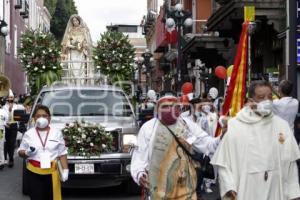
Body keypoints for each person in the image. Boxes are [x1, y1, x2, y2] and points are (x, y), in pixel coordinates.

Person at [211, 80, 300, 200]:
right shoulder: (236, 126)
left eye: (269, 97)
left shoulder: (282, 126)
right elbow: (224, 163)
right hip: (247, 189)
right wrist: (229, 187)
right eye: (261, 97)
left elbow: (291, 164)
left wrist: (294, 193)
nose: (267, 101)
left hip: (275, 190)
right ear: (251, 101)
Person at [131, 94, 220, 199]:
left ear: (179, 108)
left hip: (185, 190)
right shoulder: (148, 129)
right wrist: (140, 174)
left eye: (173, 106)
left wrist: (222, 137)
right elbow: (139, 157)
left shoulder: (186, 126)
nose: (169, 109)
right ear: (157, 109)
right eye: (165, 106)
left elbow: (208, 145)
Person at [18, 105, 68, 200]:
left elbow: (62, 153)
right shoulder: (29, 134)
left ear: (49, 118)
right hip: (34, 172)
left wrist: (65, 170)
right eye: (38, 116)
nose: (41, 118)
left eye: (44, 116)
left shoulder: (57, 133)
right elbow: (20, 152)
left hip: (52, 173)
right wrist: (27, 153)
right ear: (34, 118)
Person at [61, 15, 93, 85]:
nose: (75, 22)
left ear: (79, 21)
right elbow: (67, 41)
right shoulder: (70, 30)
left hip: (81, 52)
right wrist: (72, 46)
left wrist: (82, 45)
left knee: (80, 68)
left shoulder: (83, 30)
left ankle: (81, 83)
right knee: (73, 69)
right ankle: (73, 83)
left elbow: (87, 41)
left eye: (76, 20)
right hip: (73, 52)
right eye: (73, 21)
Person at [3, 89, 25, 167]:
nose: (10, 99)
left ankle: (11, 159)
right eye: (9, 97)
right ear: (7, 98)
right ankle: (5, 158)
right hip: (5, 126)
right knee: (6, 143)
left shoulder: (17, 106)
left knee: (12, 143)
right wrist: (5, 123)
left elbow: (21, 114)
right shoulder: (3, 107)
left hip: (14, 126)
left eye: (12, 97)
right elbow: (3, 118)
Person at [0, 100, 8, 170]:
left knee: (0, 146)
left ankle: (1, 162)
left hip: (0, 130)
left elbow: (6, 121)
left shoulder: (3, 111)